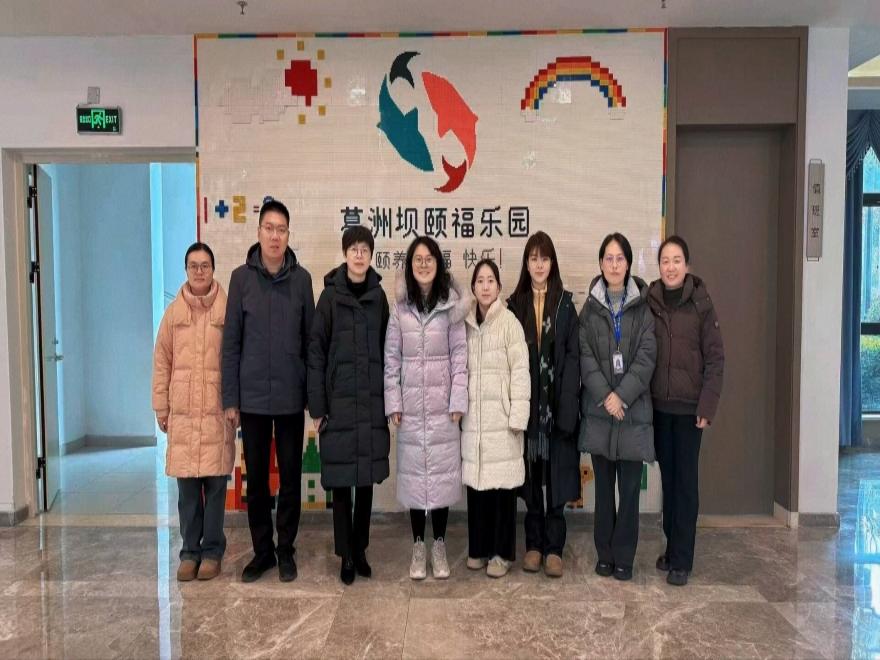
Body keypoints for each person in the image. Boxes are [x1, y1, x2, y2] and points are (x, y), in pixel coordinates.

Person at [222, 199, 315, 583]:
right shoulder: (241, 279)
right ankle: (263, 552)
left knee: (291, 477)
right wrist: (230, 398)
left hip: (291, 397)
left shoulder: (302, 280)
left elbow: (311, 344)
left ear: (288, 235)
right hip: (254, 400)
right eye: (269, 228)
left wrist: (313, 399)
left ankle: (286, 550)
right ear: (259, 232)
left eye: (281, 230)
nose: (275, 236)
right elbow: (231, 343)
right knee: (257, 480)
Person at [307, 226, 390, 585]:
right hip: (338, 405)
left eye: (364, 249)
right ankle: (345, 555)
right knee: (342, 484)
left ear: (371, 255)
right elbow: (315, 353)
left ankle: (361, 549)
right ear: (344, 254)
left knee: (366, 482)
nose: (359, 255)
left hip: (370, 404)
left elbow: (389, 352)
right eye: (353, 249)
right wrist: (317, 408)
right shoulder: (329, 298)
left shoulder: (379, 298)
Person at [384, 236, 469, 580]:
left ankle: (439, 544)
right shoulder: (399, 309)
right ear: (410, 265)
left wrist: (458, 399)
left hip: (442, 408)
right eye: (417, 259)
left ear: (438, 263)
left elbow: (460, 356)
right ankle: (418, 545)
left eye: (429, 258)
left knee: (443, 478)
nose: (423, 264)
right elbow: (391, 359)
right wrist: (393, 402)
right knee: (416, 480)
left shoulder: (451, 307)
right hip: (410, 409)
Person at [153, 242, 235, 582]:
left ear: (213, 269)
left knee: (215, 487)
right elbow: (162, 361)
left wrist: (235, 403)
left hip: (216, 411)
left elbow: (235, 360)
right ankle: (189, 552)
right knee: (187, 490)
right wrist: (161, 405)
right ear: (186, 270)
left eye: (205, 265)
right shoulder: (173, 314)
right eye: (193, 266)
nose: (199, 271)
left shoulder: (227, 311)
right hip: (184, 413)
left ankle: (212, 551)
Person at [579, 232, 656, 582]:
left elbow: (647, 357)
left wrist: (621, 396)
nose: (613, 265)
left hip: (633, 412)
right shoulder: (590, 309)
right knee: (603, 491)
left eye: (619, 258)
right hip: (600, 413)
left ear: (628, 264)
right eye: (608, 258)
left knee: (629, 492)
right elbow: (585, 357)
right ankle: (604, 554)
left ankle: (624, 556)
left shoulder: (643, 307)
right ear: (600, 263)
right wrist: (607, 397)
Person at [649, 235, 724, 586]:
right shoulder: (651, 302)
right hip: (659, 409)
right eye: (665, 261)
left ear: (687, 265)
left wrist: (707, 406)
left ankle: (682, 558)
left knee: (686, 483)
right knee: (668, 481)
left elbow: (716, 359)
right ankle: (672, 546)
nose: (671, 267)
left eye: (676, 260)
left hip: (690, 411)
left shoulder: (701, 304)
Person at [506, 232, 582, 578]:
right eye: (533, 259)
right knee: (531, 483)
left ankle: (555, 548)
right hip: (527, 412)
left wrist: (566, 408)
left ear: (553, 263)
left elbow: (573, 358)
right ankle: (534, 545)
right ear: (526, 263)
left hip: (556, 411)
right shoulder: (515, 305)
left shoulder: (565, 305)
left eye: (545, 258)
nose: (539, 265)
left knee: (557, 481)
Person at [462, 259, 530, 578]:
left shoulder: (510, 323)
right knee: (478, 488)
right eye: (480, 280)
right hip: (474, 422)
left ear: (499, 287)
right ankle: (479, 548)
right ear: (473, 287)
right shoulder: (465, 325)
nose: (485, 286)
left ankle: (502, 553)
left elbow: (521, 373)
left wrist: (517, 416)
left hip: (502, 421)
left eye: (491, 280)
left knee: (502, 491)